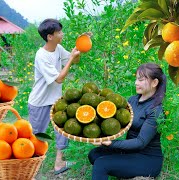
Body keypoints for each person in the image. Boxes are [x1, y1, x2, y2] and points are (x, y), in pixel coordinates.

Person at [88, 63, 166, 179]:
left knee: (101, 164)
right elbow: (116, 123)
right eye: (136, 79)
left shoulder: (156, 110)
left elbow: (140, 142)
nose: (136, 83)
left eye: (140, 80)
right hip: (130, 152)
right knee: (94, 154)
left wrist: (111, 143)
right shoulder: (133, 100)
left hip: (147, 158)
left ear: (154, 83)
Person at [28, 18, 80, 175]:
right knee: (37, 135)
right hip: (40, 101)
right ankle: (29, 167)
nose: (62, 34)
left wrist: (80, 45)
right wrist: (70, 59)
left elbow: (75, 60)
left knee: (62, 130)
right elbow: (59, 79)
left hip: (56, 100)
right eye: (59, 32)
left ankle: (59, 163)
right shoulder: (41, 55)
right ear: (50, 36)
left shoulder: (58, 48)